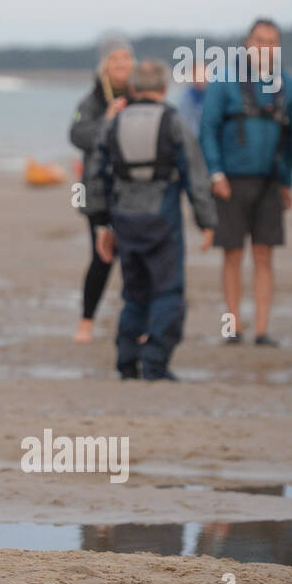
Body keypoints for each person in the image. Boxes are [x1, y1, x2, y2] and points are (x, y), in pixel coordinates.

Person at [88, 61, 217, 380]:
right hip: (162, 219)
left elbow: (96, 174)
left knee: (134, 293)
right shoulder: (174, 121)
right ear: (163, 89)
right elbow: (195, 172)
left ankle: (127, 361)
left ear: (132, 89)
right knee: (168, 292)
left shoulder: (113, 122)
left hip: (125, 219)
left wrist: (102, 223)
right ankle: (156, 362)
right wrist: (207, 221)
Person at [199, 18, 292, 346]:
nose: (265, 48)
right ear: (247, 44)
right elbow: (207, 130)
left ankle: (262, 329)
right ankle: (233, 326)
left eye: (272, 42)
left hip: (270, 182)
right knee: (232, 254)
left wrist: (286, 180)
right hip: (230, 180)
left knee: (264, 255)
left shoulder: (286, 83)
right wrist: (215, 174)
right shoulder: (225, 80)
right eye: (259, 41)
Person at [69, 34, 134, 343]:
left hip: (134, 192)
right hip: (98, 194)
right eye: (115, 59)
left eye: (126, 58)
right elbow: (77, 134)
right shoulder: (92, 100)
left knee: (136, 257)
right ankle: (86, 321)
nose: (122, 64)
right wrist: (107, 121)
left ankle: (135, 322)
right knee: (102, 258)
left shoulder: (140, 96)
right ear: (104, 65)